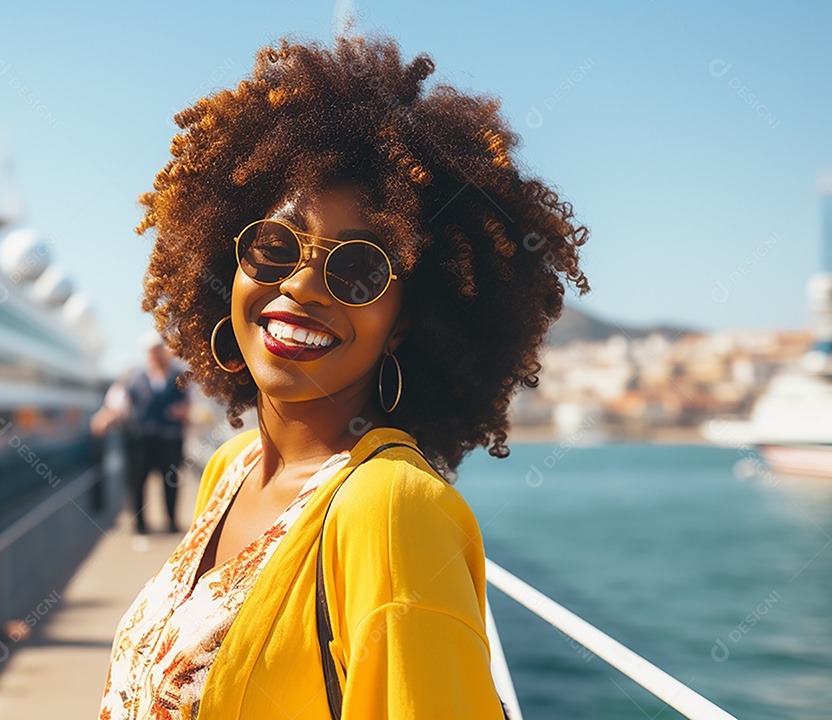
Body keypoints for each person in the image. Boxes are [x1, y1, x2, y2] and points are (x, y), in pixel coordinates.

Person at [97, 30, 590, 720]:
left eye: (358, 268)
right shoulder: (231, 468)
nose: (300, 285)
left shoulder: (394, 513)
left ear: (409, 323)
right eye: (274, 246)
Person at [92, 330, 191, 536]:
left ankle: (171, 522)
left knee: (171, 481)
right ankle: (140, 525)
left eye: (158, 350)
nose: (155, 355)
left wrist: (184, 411)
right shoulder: (134, 378)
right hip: (140, 440)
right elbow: (117, 404)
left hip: (170, 439)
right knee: (137, 482)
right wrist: (105, 418)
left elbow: (192, 404)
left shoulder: (180, 378)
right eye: (152, 351)